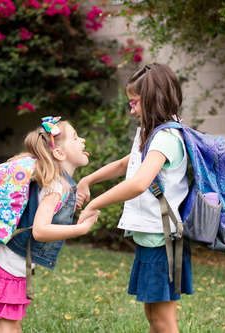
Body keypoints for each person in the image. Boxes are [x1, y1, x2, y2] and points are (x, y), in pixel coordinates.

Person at [77, 63, 194, 333]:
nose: (131, 110)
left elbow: (139, 183)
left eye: (134, 102)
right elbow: (125, 164)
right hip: (152, 239)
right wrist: (88, 179)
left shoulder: (167, 137)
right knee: (153, 318)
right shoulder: (151, 133)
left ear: (153, 99)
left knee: (164, 321)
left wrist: (95, 203)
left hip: (163, 242)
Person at [0, 117, 100, 333]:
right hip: (8, 264)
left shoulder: (55, 181)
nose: (83, 141)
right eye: (76, 138)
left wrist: (71, 200)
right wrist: (81, 228)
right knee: (8, 324)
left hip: (5, 257)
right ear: (59, 154)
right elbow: (40, 231)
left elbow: (39, 203)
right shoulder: (56, 186)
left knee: (9, 323)